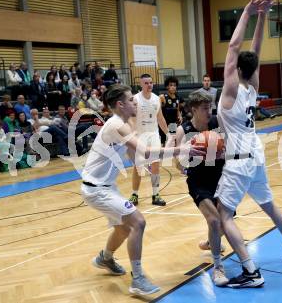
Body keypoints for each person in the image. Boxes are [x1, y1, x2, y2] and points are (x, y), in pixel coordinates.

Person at [214, 0, 282, 288]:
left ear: (236, 70)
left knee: (224, 215)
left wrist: (249, 12)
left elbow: (234, 46)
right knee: (268, 203)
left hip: (239, 160)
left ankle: (251, 270)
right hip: (256, 155)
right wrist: (264, 16)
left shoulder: (231, 89)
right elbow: (255, 51)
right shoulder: (253, 86)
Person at [82, 84, 204, 295]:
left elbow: (134, 154)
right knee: (138, 222)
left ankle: (105, 258)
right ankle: (137, 279)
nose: (135, 102)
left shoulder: (123, 125)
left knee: (123, 228)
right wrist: (179, 150)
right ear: (120, 104)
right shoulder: (115, 124)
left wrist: (141, 162)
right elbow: (146, 152)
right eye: (131, 100)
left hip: (105, 187)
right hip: (96, 189)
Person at [174, 90, 228, 286]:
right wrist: (188, 167)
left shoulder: (216, 123)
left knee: (225, 222)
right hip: (199, 181)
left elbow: (228, 147)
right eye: (205, 109)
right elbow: (177, 163)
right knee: (214, 221)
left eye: (210, 108)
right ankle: (218, 267)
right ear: (194, 110)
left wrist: (223, 153)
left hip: (221, 178)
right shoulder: (183, 130)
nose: (209, 112)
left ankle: (209, 242)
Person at [129, 74, 170, 206]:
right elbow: (131, 120)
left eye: (151, 82)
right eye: (146, 83)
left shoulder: (157, 99)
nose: (149, 85)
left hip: (153, 135)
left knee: (155, 165)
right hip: (139, 135)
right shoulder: (135, 99)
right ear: (141, 84)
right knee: (138, 167)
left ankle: (155, 194)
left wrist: (168, 134)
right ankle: (134, 194)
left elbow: (161, 119)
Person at [159, 76, 182, 144]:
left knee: (173, 141)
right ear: (167, 87)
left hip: (172, 124)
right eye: (171, 85)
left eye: (174, 85)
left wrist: (180, 116)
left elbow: (177, 110)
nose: (173, 87)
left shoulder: (177, 98)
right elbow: (158, 112)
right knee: (163, 143)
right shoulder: (162, 97)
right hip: (164, 124)